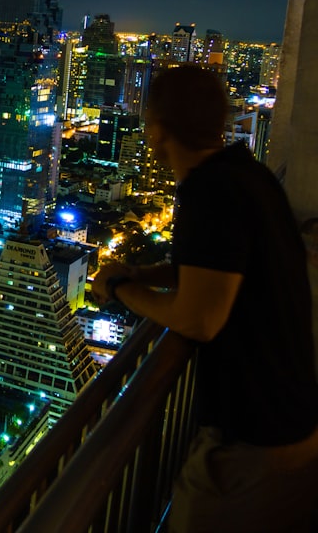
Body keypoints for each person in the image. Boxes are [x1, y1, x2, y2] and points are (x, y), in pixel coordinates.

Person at [91, 65, 318, 533]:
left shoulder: (209, 191)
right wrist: (140, 271)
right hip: (290, 421)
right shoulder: (247, 175)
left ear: (156, 129)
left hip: (255, 441)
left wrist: (120, 289)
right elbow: (214, 267)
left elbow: (199, 318)